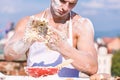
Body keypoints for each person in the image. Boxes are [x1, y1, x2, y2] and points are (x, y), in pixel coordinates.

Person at [4, 0, 98, 77]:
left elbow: (92, 67)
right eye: (62, 1)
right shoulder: (29, 22)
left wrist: (63, 48)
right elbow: (8, 55)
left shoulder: (80, 25)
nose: (65, 8)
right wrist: (27, 40)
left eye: (72, 4)